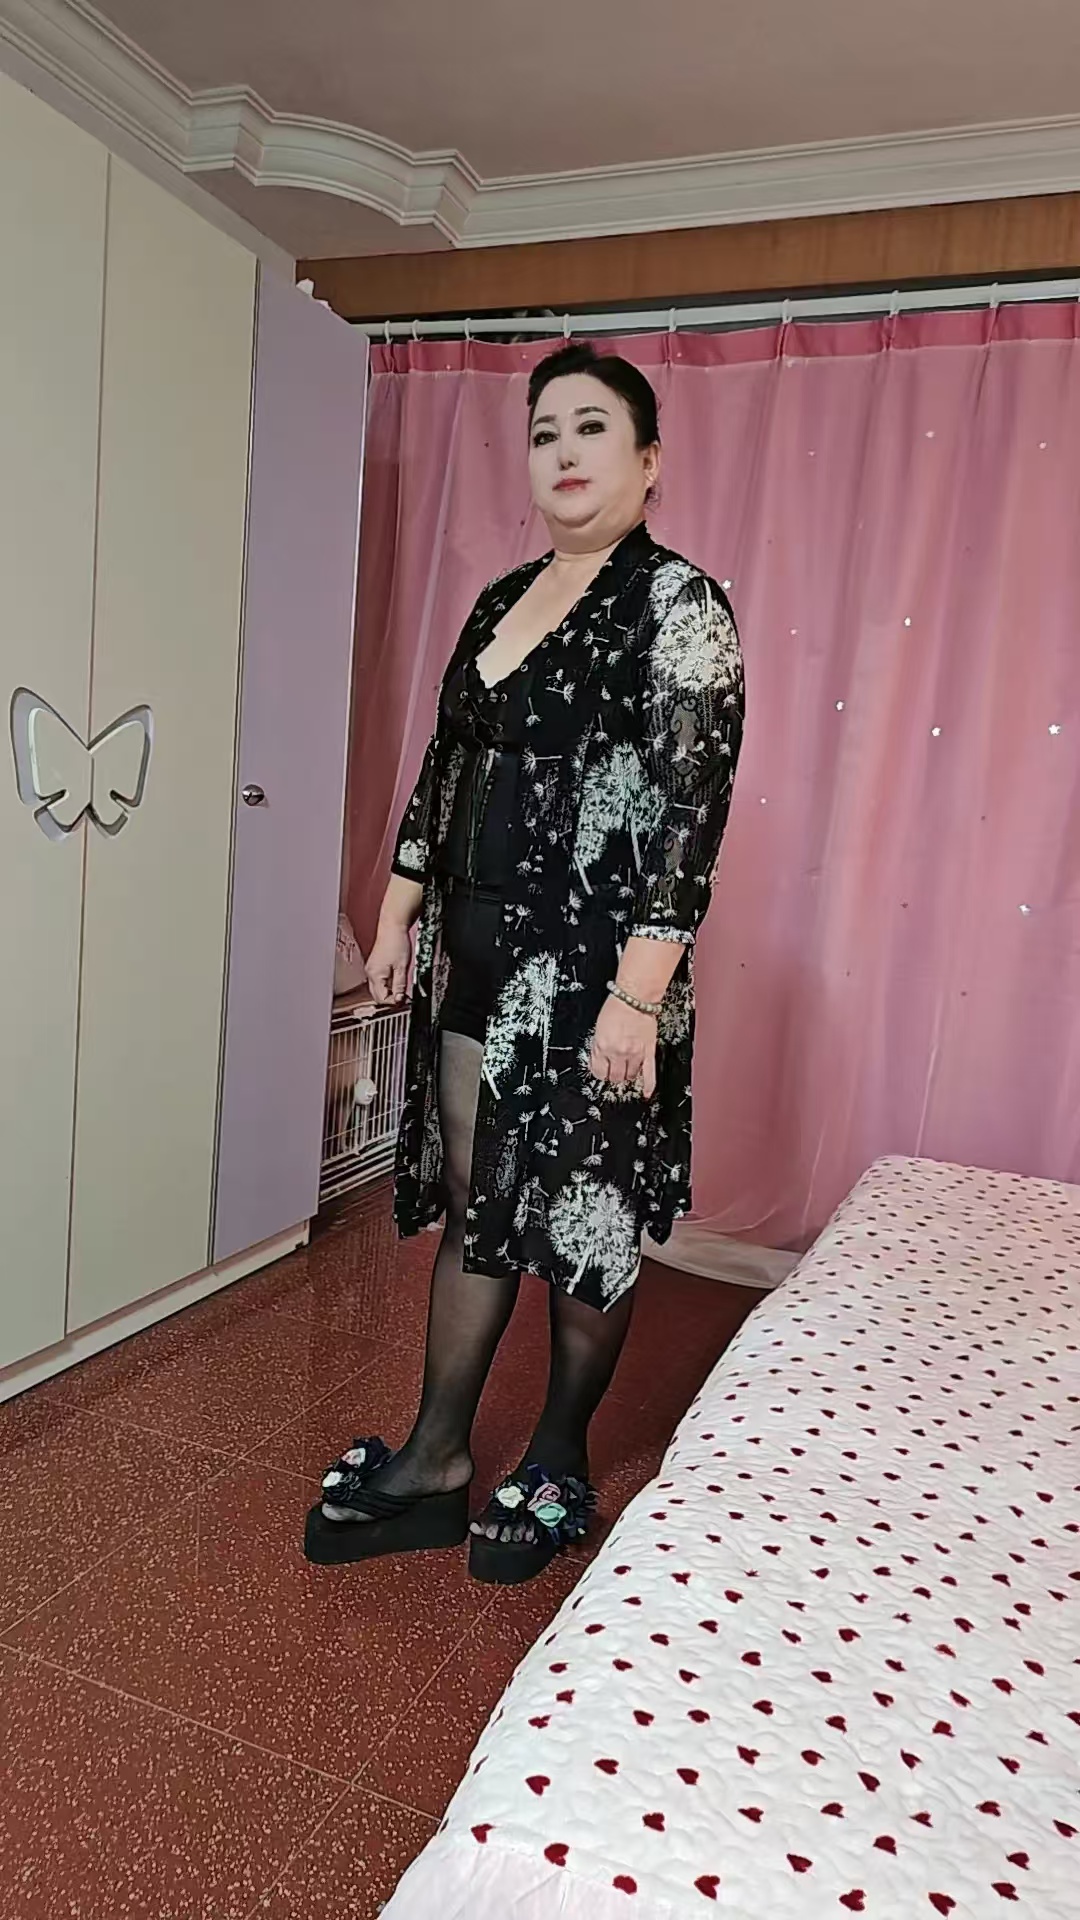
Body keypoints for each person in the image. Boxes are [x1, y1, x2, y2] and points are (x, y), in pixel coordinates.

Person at [305, 341, 744, 1586]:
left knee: (586, 1216)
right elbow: (443, 765)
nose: (562, 451)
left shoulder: (680, 608)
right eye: (545, 431)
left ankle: (557, 1453)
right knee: (477, 1200)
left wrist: (637, 999)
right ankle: (438, 1455)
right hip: (480, 964)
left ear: (648, 462)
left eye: (592, 427)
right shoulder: (502, 600)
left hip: (604, 978)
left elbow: (688, 816)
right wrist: (397, 912)